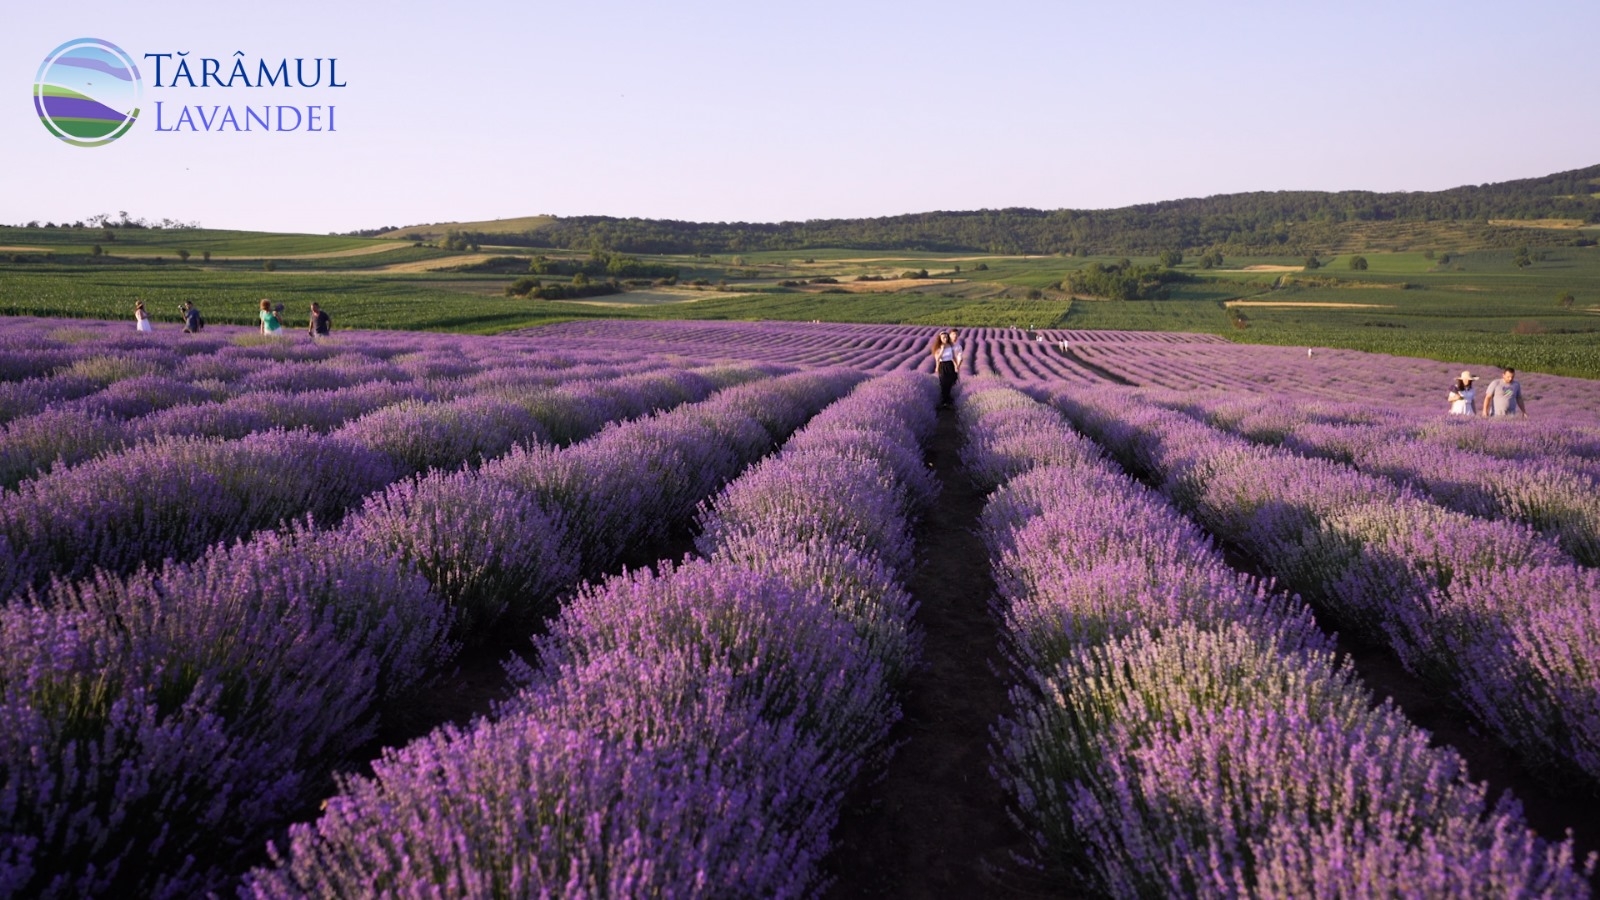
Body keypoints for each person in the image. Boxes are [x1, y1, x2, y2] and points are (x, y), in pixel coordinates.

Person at [934, 329, 960, 408]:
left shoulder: (950, 346)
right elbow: (937, 359)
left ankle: (949, 401)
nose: (945, 339)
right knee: (943, 384)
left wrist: (956, 366)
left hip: (950, 365)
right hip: (943, 366)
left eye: (946, 337)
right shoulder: (938, 348)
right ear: (940, 339)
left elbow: (954, 357)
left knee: (950, 383)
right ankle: (944, 401)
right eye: (943, 338)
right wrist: (942, 350)